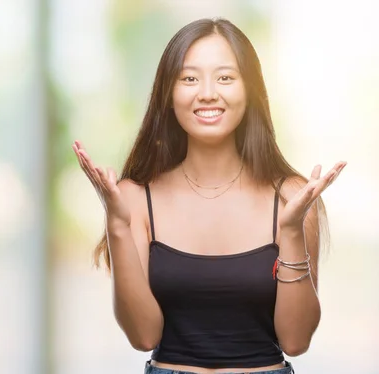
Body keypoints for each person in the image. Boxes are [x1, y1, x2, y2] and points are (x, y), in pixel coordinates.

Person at [71, 18, 346, 374]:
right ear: (168, 94)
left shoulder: (292, 196)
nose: (207, 92)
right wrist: (117, 224)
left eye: (225, 77)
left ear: (250, 91)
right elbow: (142, 336)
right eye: (189, 78)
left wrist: (291, 230)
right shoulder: (135, 198)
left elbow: (295, 341)